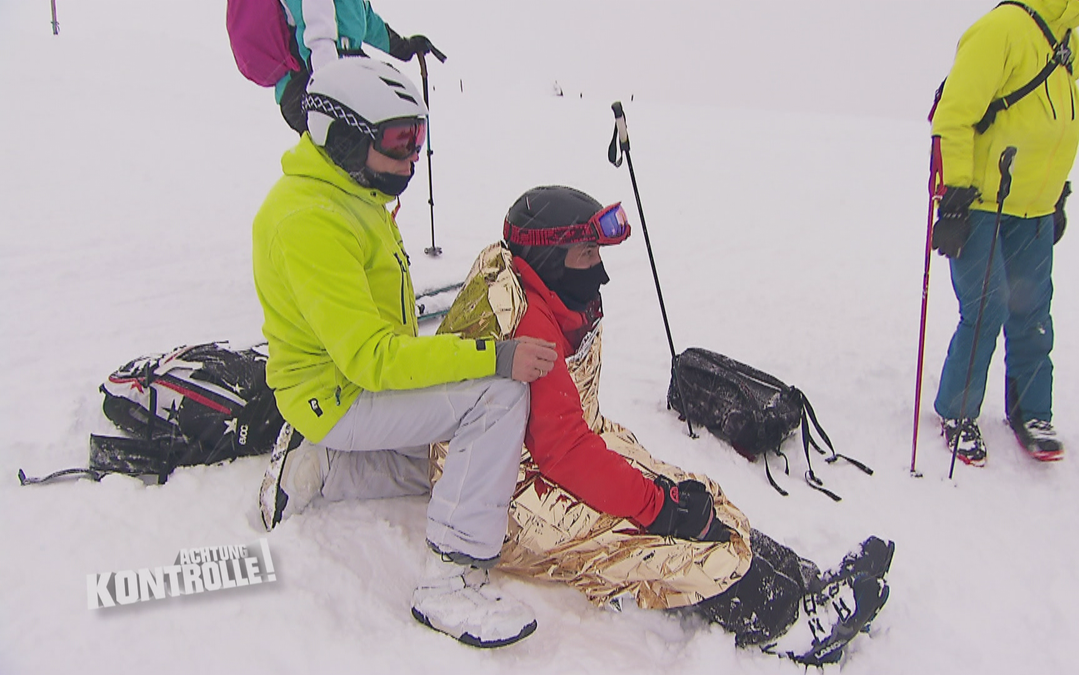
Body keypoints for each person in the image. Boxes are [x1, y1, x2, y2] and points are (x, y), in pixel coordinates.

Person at [433, 186, 894, 666]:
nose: (600, 270)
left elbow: (567, 432)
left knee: (692, 493)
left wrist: (665, 495)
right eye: (587, 254)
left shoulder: (548, 291)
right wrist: (659, 510)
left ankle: (803, 581)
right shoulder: (531, 327)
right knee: (658, 536)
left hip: (551, 451)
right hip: (510, 492)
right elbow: (563, 452)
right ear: (549, 257)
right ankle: (790, 622)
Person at [250, 57, 558, 648]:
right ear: (339, 135)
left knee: (461, 466)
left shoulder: (349, 191)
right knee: (497, 398)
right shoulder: (309, 220)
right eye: (397, 142)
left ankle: (327, 471)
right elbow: (374, 359)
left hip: (350, 382)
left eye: (418, 139)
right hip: (336, 394)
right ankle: (452, 580)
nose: (412, 159)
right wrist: (494, 358)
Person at [930, 0, 1079, 466]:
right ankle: (957, 413)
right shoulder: (1002, 28)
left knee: (1032, 310)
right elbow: (955, 115)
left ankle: (1031, 413)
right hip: (982, 200)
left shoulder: (1068, 41)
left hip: (1035, 206)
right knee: (987, 305)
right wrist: (956, 197)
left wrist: (1057, 194)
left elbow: (1053, 128)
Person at [275, 0, 443, 134]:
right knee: (351, 156)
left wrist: (404, 47)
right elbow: (317, 36)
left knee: (386, 129)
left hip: (340, 71)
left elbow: (367, 22)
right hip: (305, 83)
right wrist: (328, 93)